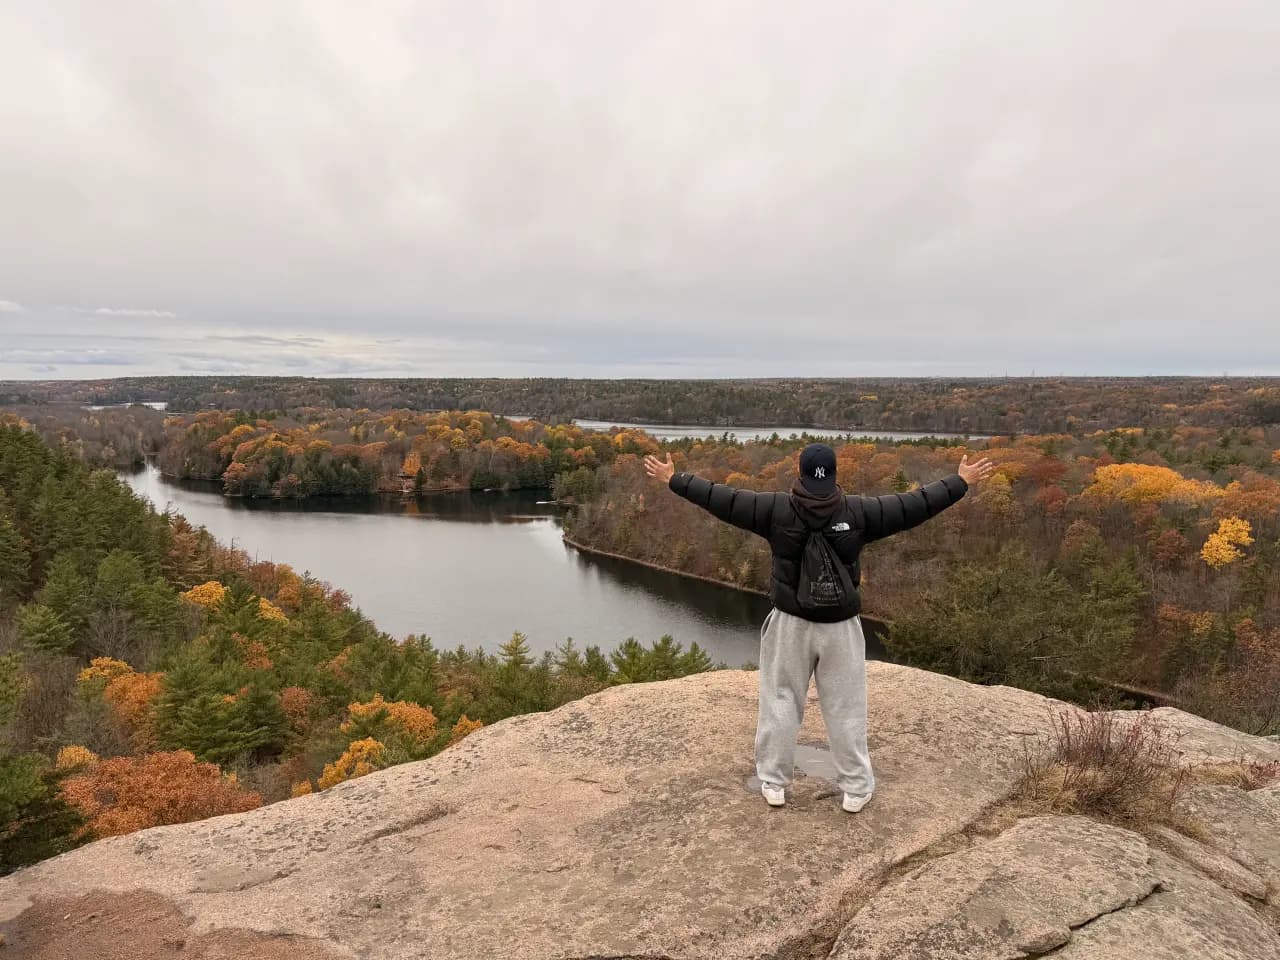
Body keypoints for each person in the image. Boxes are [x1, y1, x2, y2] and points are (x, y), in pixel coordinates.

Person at [643, 442, 995, 812]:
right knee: (846, 707)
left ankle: (774, 782)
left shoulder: (774, 509)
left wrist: (674, 479)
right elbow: (914, 505)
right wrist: (960, 482)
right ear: (834, 474)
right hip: (840, 627)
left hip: (790, 623)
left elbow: (722, 499)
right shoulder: (860, 512)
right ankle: (857, 788)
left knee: (780, 700)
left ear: (801, 473)